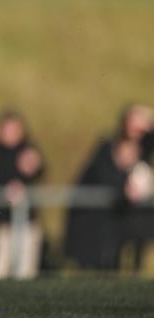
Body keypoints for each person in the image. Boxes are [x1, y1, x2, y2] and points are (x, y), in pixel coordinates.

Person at [66, 105, 154, 270]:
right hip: (107, 213)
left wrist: (149, 120)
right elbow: (102, 173)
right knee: (107, 258)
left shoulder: (144, 147)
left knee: (135, 254)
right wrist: (123, 186)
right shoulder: (109, 145)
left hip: (132, 215)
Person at [0, 111, 45, 280]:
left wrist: (33, 167)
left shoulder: (29, 151)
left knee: (26, 269)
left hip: (28, 221)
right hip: (3, 221)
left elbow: (39, 171)